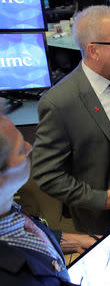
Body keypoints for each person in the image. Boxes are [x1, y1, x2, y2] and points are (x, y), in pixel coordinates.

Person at [31, 5, 110, 280]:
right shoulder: (59, 103)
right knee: (106, 264)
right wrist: (97, 199)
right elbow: (45, 174)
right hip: (98, 206)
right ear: (93, 50)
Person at [0, 114, 98, 285]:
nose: (29, 147)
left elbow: (27, 231)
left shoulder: (7, 208)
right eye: (19, 149)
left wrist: (74, 242)